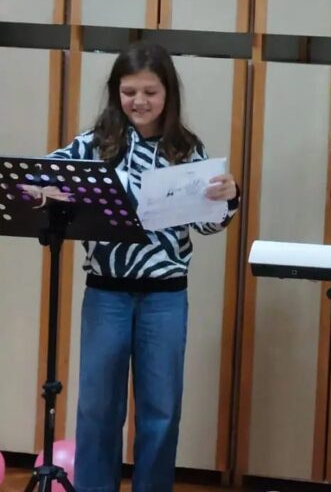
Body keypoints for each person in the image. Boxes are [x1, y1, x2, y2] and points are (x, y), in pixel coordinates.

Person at [40, 41, 239, 492]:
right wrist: (47, 190)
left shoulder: (186, 149)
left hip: (165, 297)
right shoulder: (95, 144)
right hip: (106, 293)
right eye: (129, 92)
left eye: (150, 92)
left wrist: (229, 198)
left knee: (161, 411)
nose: (139, 102)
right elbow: (43, 173)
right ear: (117, 92)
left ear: (168, 93)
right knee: (97, 409)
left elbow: (207, 225)